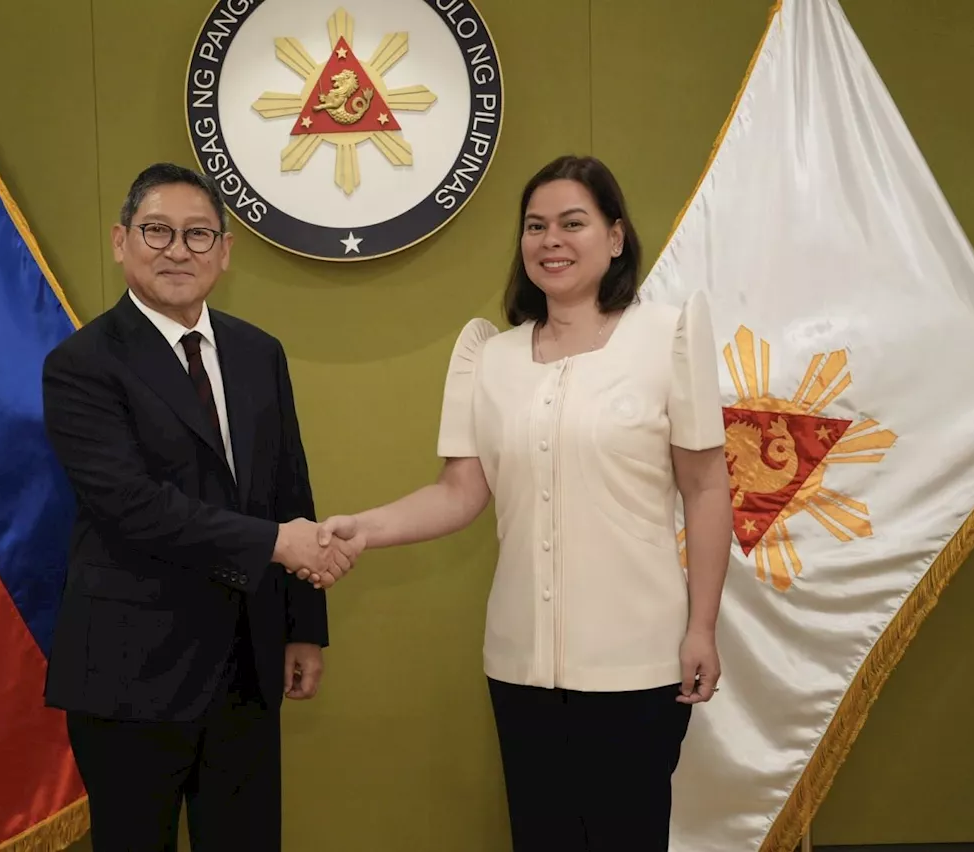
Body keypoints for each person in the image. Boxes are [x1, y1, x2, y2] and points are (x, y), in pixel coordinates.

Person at [300, 155, 733, 850]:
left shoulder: (668, 337)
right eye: (535, 226)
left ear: (616, 237)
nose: (550, 240)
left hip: (638, 659)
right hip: (519, 662)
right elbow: (458, 493)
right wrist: (359, 529)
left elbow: (708, 489)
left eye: (572, 223)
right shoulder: (490, 358)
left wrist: (703, 626)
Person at [40, 162, 355, 851]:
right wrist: (276, 544)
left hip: (246, 667)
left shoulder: (257, 353)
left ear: (225, 250)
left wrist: (304, 627)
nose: (178, 250)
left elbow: (288, 489)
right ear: (121, 241)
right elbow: (133, 507)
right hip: (130, 676)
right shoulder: (82, 364)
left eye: (198, 234)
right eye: (157, 232)